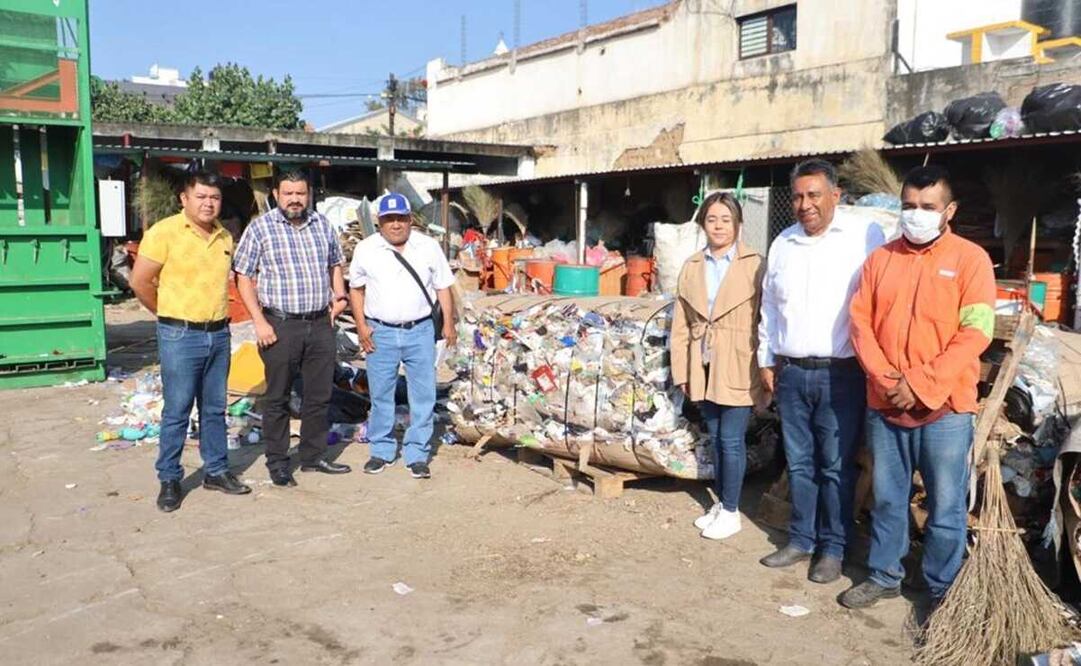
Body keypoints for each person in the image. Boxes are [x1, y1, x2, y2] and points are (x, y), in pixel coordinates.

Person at [840, 166, 994, 609]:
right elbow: (860, 324)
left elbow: (976, 332)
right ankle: (886, 574)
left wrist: (921, 383)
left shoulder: (971, 260)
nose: (916, 215)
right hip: (887, 404)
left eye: (928, 208)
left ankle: (941, 588)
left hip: (946, 408)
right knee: (889, 500)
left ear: (949, 210)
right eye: (909, 206)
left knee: (946, 509)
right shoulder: (881, 260)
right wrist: (890, 382)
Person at [757, 159, 886, 583]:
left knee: (835, 465)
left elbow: (879, 299)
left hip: (841, 374)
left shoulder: (863, 236)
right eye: (797, 196)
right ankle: (801, 539)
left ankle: (833, 547)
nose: (804, 204)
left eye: (814, 195)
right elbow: (771, 308)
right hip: (792, 372)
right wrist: (767, 358)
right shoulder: (784, 243)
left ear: (836, 194)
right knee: (799, 463)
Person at [130, 171, 251, 512]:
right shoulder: (163, 232)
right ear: (184, 199)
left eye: (214, 197)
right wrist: (167, 315)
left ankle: (216, 470)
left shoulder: (225, 236)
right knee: (177, 411)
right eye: (201, 196)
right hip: (179, 335)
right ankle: (169, 478)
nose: (208, 203)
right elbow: (140, 282)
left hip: (218, 333)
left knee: (214, 408)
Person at [233, 170, 351, 488]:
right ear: (276, 194)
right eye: (288, 193)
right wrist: (258, 321)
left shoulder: (322, 225)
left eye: (301, 193)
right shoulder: (261, 228)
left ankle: (313, 456)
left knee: (319, 394)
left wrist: (339, 296)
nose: (295, 199)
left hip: (320, 322)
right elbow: (243, 275)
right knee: (277, 397)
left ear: (309, 193)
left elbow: (334, 263)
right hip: (279, 324)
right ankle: (278, 462)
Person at [670, 192, 766, 540]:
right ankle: (724, 502)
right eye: (712, 219)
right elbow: (680, 323)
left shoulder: (756, 264)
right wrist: (682, 369)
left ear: (738, 224)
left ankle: (730, 510)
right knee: (714, 437)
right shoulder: (693, 266)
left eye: (726, 219)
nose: (719, 226)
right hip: (703, 361)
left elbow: (766, 319)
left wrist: (766, 369)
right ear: (703, 224)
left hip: (740, 358)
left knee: (731, 440)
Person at [348, 193, 457, 479]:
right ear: (380, 222)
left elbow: (443, 286)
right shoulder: (366, 248)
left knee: (423, 394)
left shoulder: (428, 247)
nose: (395, 224)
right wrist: (361, 327)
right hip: (379, 331)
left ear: (410, 219)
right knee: (381, 393)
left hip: (420, 331)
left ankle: (417, 453)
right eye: (388, 219)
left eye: (400, 218)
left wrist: (449, 324)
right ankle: (381, 450)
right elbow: (356, 290)